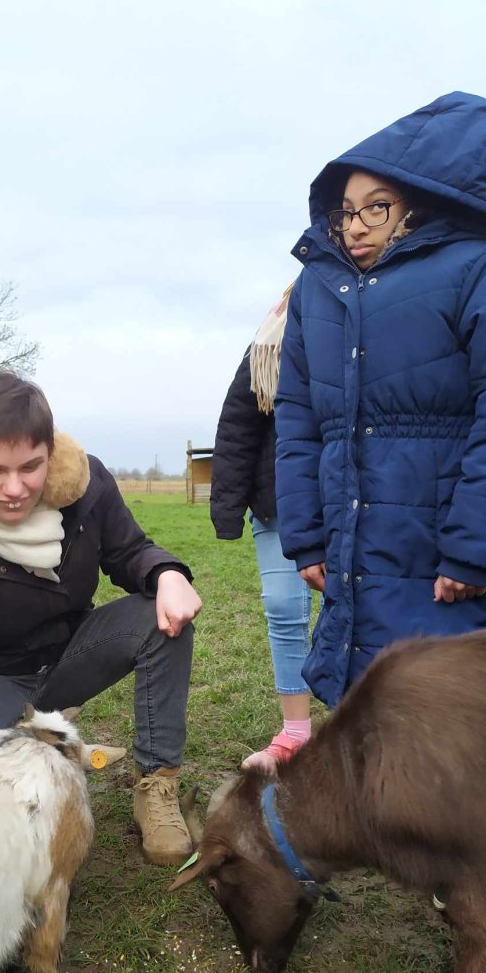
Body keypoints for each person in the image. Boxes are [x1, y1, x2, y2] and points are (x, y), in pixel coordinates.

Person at [275, 91, 486, 708]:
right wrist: (306, 536)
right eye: (345, 210)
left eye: (376, 207)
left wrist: (474, 546)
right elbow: (296, 420)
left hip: (443, 546)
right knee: (362, 711)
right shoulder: (319, 288)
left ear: (415, 207)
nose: (355, 224)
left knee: (452, 720)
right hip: (350, 547)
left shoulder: (482, 264)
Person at [0, 371, 202, 866]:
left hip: (68, 658)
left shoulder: (88, 485)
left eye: (30, 467)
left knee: (161, 619)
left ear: (50, 457)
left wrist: (165, 572)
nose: (15, 488)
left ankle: (157, 785)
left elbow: (131, 551)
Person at [211, 286, 312, 771]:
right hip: (277, 499)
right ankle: (296, 732)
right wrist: (227, 507)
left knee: (355, 608)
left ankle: (366, 722)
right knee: (283, 607)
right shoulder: (269, 342)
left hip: (348, 498)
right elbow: (238, 424)